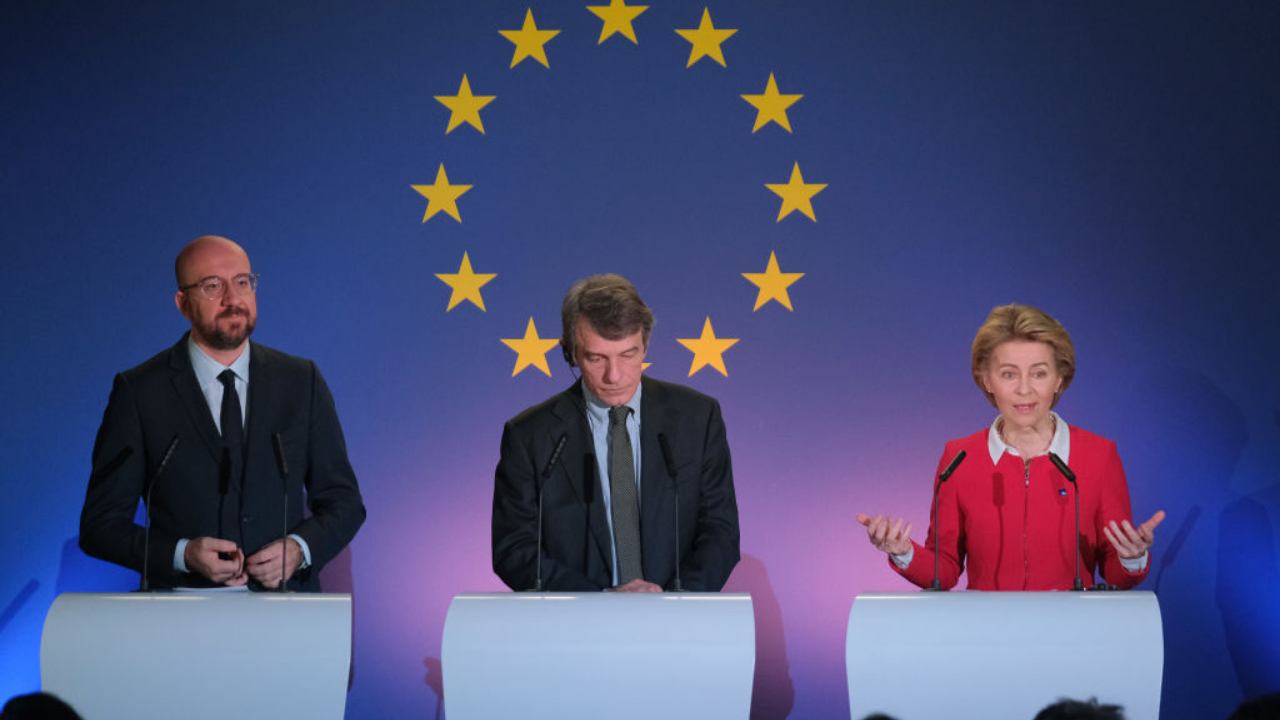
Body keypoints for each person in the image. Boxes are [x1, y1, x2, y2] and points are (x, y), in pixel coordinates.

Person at [79, 235, 365, 591]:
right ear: (183, 304)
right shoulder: (140, 392)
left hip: (286, 617)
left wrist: (299, 549)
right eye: (212, 286)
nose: (233, 299)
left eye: (242, 282)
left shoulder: (300, 381)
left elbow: (345, 502)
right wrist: (182, 554)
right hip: (182, 618)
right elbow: (100, 525)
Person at [856, 304, 1164, 590]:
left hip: (1071, 639)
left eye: (1039, 373)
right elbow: (944, 569)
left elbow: (1115, 573)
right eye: (1008, 374)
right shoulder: (959, 458)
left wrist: (1131, 557)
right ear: (987, 380)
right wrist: (903, 552)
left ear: (1059, 378)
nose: (1024, 389)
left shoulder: (1099, 455)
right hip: (987, 637)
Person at [492, 274, 740, 591]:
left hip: (677, 623)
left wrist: (674, 604)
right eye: (596, 358)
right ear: (570, 353)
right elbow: (514, 548)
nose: (615, 376)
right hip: (576, 629)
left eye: (628, 354)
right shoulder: (530, 437)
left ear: (645, 345)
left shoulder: (697, 418)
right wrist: (600, 603)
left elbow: (720, 530)